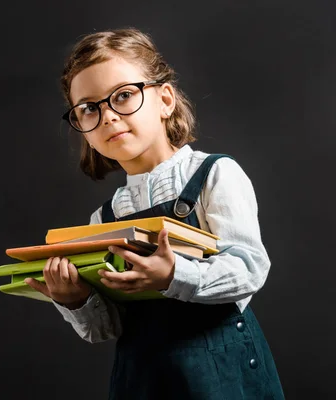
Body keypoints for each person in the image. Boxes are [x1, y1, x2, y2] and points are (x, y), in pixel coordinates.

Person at [24, 28, 285, 399]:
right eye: (89, 108)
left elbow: (248, 270)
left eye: (124, 96)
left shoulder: (214, 174)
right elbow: (107, 329)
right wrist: (75, 298)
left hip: (220, 379)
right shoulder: (104, 218)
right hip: (142, 382)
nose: (109, 117)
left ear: (165, 100)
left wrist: (173, 275)